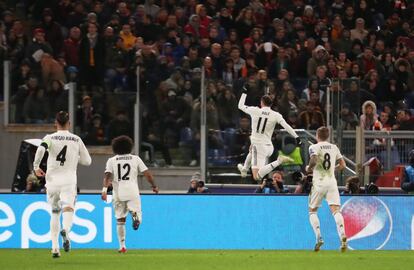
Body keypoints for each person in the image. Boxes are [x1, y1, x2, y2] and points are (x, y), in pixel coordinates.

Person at [33, 111, 92, 258]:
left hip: (52, 181)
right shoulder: (76, 139)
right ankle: (65, 230)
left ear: (56, 123)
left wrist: (36, 166)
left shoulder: (49, 138)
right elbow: (87, 161)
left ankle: (54, 248)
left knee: (54, 212)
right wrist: (74, 157)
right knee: (68, 207)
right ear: (69, 123)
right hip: (68, 181)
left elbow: (41, 149)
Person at [101, 135, 158, 253]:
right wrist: (154, 186)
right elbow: (147, 174)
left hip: (118, 193)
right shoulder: (135, 159)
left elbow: (107, 177)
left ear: (115, 148)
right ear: (130, 147)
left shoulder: (111, 161)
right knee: (136, 212)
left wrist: (104, 191)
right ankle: (135, 216)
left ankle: (122, 246)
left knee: (120, 219)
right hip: (132, 191)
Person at [237, 90, 301, 181]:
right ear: (270, 104)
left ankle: (279, 161)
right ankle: (244, 169)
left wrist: (244, 92)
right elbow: (286, 126)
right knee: (251, 150)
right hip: (269, 147)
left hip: (259, 147)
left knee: (256, 177)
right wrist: (296, 137)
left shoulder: (255, 110)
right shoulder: (275, 115)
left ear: (261, 102)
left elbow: (240, 106)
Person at [305, 127, 347, 252]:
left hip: (319, 182)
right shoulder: (334, 147)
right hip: (331, 182)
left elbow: (314, 159)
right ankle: (343, 235)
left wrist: (309, 168)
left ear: (317, 135)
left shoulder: (314, 147)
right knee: (335, 210)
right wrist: (332, 169)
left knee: (312, 211)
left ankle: (319, 237)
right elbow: (343, 165)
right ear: (328, 136)